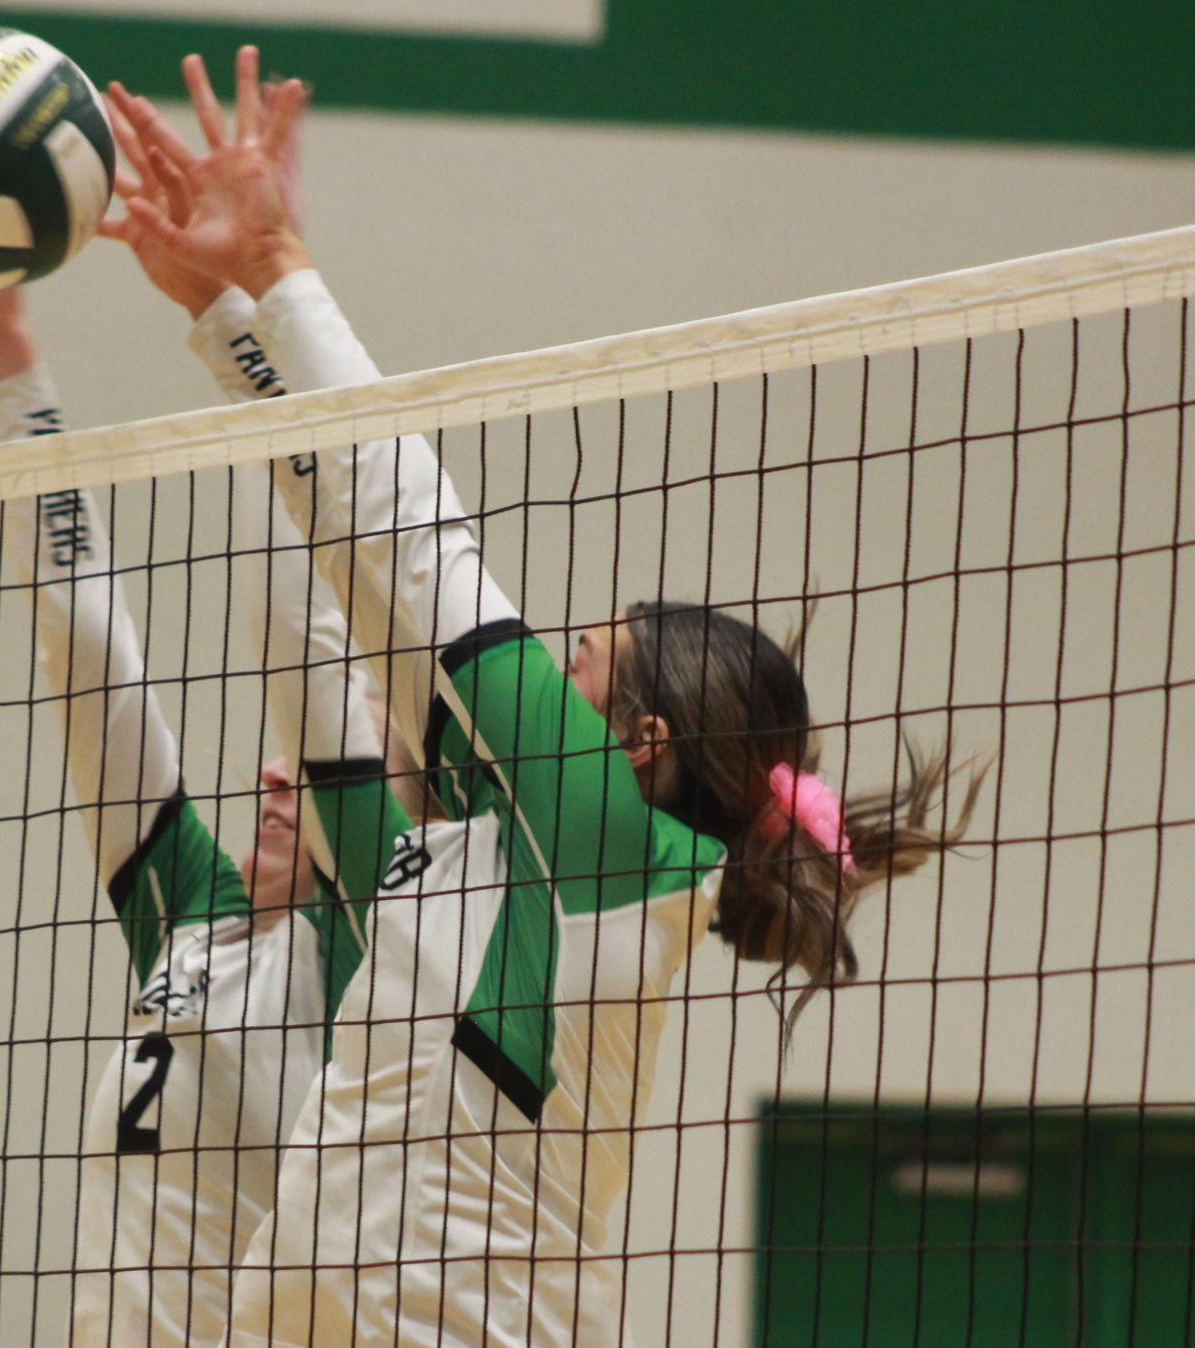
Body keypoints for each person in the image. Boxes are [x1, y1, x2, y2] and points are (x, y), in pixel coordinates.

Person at [107, 48, 980, 1346]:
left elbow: (418, 535)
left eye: (582, 657)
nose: (549, 654)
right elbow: (344, 574)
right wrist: (232, 319)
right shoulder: (487, 842)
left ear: (640, 739)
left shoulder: (617, 850)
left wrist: (286, 266)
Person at [0, 221, 428, 1340]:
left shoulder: (368, 952)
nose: (276, 770)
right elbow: (89, 656)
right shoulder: (186, 918)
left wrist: (237, 317)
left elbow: (297, 635)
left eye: (325, 767)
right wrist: (9, 366)